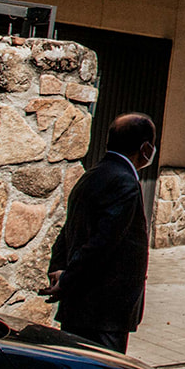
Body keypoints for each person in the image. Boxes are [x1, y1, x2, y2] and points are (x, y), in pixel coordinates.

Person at [44, 113, 156, 354]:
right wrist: (66, 280)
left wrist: (60, 272)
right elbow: (102, 244)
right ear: (145, 149)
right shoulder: (124, 182)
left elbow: (67, 232)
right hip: (104, 311)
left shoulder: (92, 175)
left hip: (81, 305)